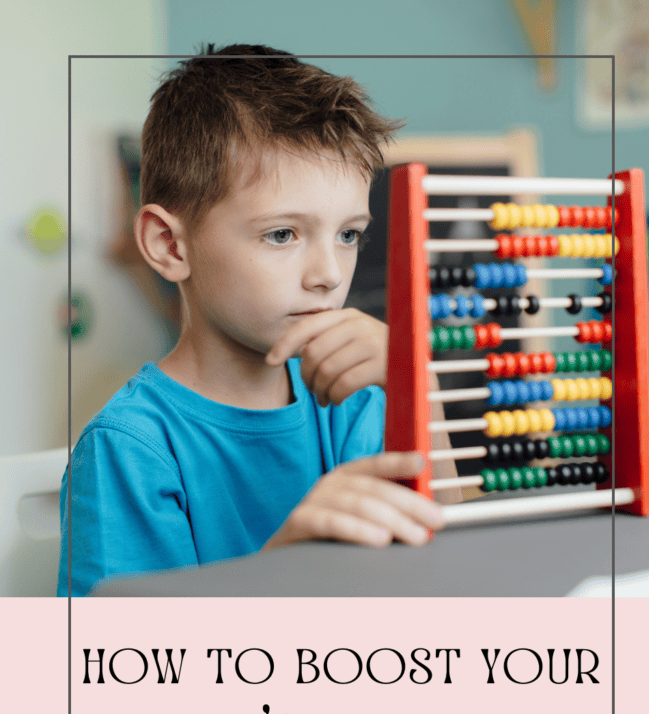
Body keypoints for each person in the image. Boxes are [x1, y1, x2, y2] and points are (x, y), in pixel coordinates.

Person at [58, 44, 446, 597]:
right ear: (169, 245)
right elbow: (119, 668)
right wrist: (280, 570)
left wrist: (419, 384)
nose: (330, 274)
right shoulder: (130, 451)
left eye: (349, 234)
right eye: (282, 234)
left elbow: (452, 570)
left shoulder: (356, 401)